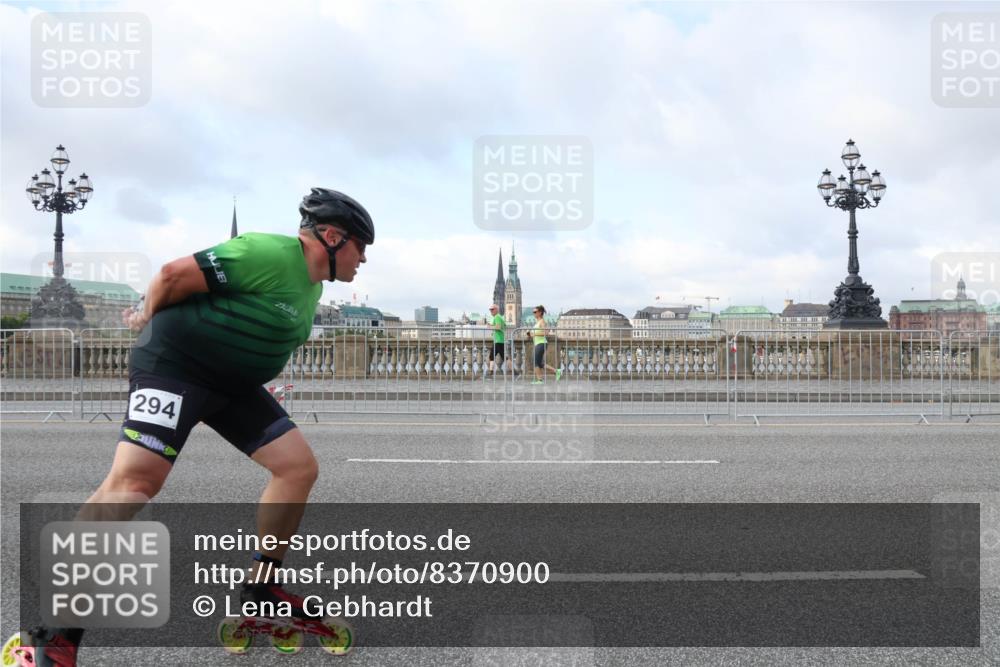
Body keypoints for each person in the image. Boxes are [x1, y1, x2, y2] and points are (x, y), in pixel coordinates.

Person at [27, 188, 373, 667]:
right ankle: (54, 627)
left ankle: (261, 587)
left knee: (297, 468)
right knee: (137, 481)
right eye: (361, 246)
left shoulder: (312, 288)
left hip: (230, 385)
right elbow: (172, 274)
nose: (364, 259)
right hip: (175, 368)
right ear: (333, 237)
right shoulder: (269, 251)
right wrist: (146, 314)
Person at [528, 305, 561, 384]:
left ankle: (540, 380)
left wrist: (534, 334)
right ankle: (556, 371)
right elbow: (537, 332)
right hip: (538, 343)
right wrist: (530, 334)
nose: (534, 313)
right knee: (539, 363)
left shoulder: (542, 321)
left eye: (535, 312)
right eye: (533, 312)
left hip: (541, 343)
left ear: (540, 313)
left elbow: (546, 332)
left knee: (535, 362)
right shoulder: (538, 322)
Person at [488, 304, 506, 374]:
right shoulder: (499, 317)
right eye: (490, 310)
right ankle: (491, 371)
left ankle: (491, 371)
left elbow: (498, 327)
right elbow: (503, 326)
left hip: (498, 340)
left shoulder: (497, 317)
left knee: (492, 356)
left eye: (492, 309)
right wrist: (492, 326)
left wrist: (490, 327)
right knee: (502, 357)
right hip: (499, 340)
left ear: (496, 310)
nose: (491, 311)